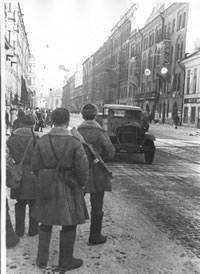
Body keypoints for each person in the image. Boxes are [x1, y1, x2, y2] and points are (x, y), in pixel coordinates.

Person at [31, 107, 89, 271]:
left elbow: (35, 166)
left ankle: (41, 259)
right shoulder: (75, 142)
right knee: (69, 222)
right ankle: (66, 260)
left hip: (47, 184)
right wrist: (81, 184)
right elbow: (83, 168)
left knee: (45, 220)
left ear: (52, 121)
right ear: (68, 121)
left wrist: (45, 176)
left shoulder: (42, 140)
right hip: (69, 186)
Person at [78, 103, 115, 245]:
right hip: (98, 171)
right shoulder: (100, 132)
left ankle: (70, 231)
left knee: (75, 202)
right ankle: (95, 236)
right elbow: (110, 153)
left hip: (79, 171)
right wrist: (101, 158)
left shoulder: (76, 131)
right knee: (97, 205)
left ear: (82, 115)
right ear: (95, 115)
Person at [6, 114, 39, 238]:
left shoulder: (12, 138)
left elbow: (7, 157)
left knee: (20, 202)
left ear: (20, 123)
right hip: (33, 172)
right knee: (34, 202)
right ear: (33, 124)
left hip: (18, 172)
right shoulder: (37, 139)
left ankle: (19, 231)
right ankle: (33, 230)